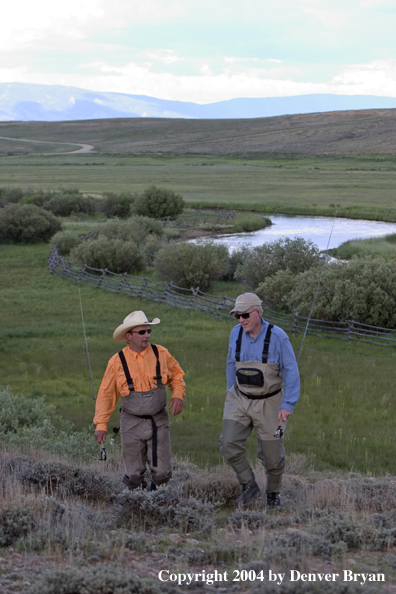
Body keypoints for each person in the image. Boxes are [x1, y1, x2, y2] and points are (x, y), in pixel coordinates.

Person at [219, 293, 300, 508]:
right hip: (239, 397)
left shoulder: (279, 337)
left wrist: (287, 404)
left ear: (258, 313)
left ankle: (273, 494)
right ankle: (249, 484)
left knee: (272, 458)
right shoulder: (235, 334)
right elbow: (230, 363)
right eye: (237, 316)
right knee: (228, 444)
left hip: (270, 402)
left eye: (245, 315)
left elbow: (291, 372)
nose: (241, 320)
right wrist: (230, 391)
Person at [94, 310, 185, 491]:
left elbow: (177, 375)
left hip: (158, 420)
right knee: (134, 474)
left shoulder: (161, 353)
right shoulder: (116, 362)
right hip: (131, 422)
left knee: (162, 473)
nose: (147, 336)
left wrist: (177, 395)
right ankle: (136, 501)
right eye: (142, 332)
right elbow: (106, 394)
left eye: (148, 331)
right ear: (129, 336)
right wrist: (101, 424)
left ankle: (154, 494)